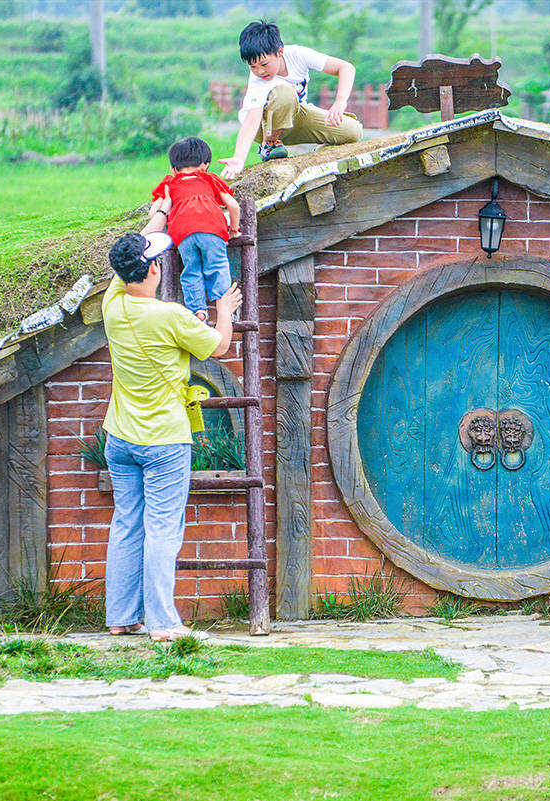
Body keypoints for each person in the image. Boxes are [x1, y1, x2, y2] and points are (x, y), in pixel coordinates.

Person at [101, 211, 242, 642]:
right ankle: (163, 623)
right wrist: (225, 310)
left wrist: (154, 218)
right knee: (163, 528)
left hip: (120, 436)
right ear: (154, 269)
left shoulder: (112, 303)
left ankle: (121, 617)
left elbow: (130, 254)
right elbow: (220, 346)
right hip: (164, 440)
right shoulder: (171, 316)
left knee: (126, 523)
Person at [219, 20, 364, 180]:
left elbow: (345, 68)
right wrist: (239, 158)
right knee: (285, 94)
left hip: (296, 115)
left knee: (353, 132)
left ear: (279, 52)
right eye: (253, 66)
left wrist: (340, 101)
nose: (260, 71)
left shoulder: (298, 54)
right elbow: (251, 122)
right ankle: (270, 145)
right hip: (264, 126)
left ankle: (322, 151)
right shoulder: (257, 82)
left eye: (264, 64)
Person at [151, 136, 241, 322]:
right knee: (217, 266)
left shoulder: (170, 182)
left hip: (182, 233)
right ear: (205, 165)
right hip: (212, 229)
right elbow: (234, 207)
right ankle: (224, 309)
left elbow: (154, 213)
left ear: (173, 168)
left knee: (191, 270)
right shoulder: (210, 179)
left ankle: (198, 311)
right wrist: (234, 230)